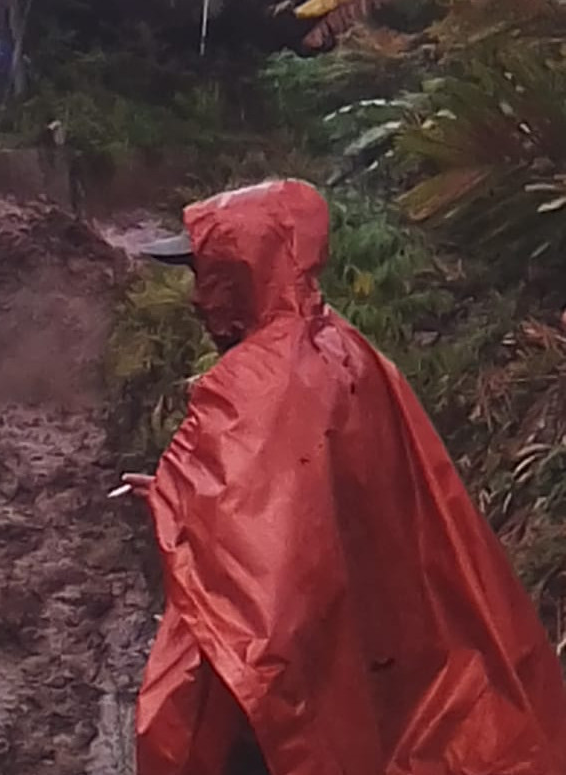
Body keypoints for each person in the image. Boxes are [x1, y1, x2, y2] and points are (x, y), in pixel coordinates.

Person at [125, 180, 566, 775]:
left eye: (203, 274)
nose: (196, 299)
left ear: (241, 273)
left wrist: (183, 509)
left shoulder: (254, 385)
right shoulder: (340, 345)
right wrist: (181, 495)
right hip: (364, 637)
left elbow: (260, 582)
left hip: (289, 671)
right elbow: (297, 498)